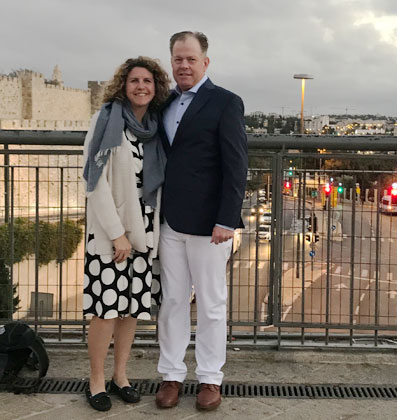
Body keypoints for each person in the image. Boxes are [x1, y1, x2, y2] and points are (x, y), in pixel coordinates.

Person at [155, 31, 248, 412]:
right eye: (178, 59)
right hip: (170, 222)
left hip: (211, 225)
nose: (184, 65)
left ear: (205, 62)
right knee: (173, 301)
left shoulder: (225, 102)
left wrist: (227, 219)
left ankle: (210, 378)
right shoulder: (164, 103)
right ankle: (172, 375)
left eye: (191, 59)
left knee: (211, 304)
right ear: (171, 61)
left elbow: (236, 164)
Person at [81, 56, 170, 412]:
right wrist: (117, 234)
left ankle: (121, 376)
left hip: (144, 230)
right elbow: (95, 182)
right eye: (134, 81)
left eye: (147, 81)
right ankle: (96, 380)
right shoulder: (105, 120)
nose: (141, 87)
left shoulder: (153, 127)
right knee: (106, 310)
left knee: (131, 309)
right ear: (123, 84)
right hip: (110, 234)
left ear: (155, 87)